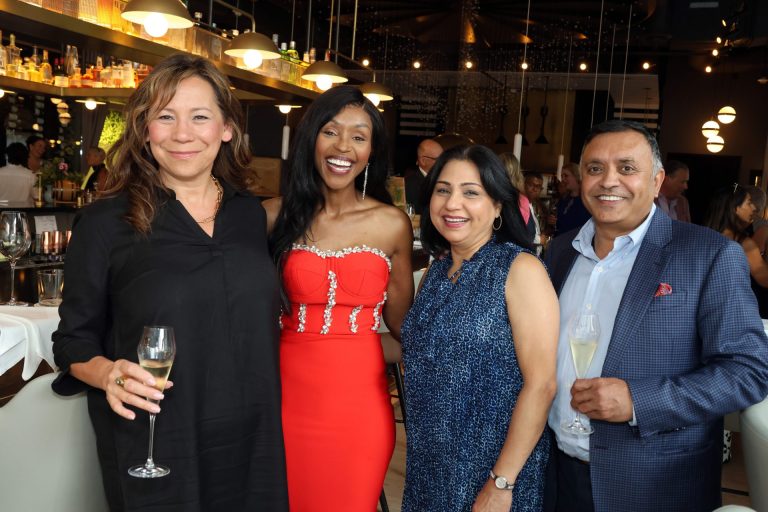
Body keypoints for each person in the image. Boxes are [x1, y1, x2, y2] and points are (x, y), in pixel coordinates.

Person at [51, 54, 288, 511]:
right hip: (159, 439)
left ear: (226, 128)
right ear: (144, 129)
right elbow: (72, 340)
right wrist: (108, 374)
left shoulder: (248, 215)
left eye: (200, 117)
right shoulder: (105, 222)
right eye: (165, 117)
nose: (182, 134)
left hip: (251, 437)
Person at [543, 120, 768, 512]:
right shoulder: (560, 251)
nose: (608, 180)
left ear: (657, 180)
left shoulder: (709, 255)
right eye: (595, 168)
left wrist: (639, 401)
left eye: (627, 168)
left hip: (653, 485)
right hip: (555, 476)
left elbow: (748, 371)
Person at [264, 85, 414, 512]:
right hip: (283, 400)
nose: (343, 146)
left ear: (371, 151)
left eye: (359, 136)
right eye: (331, 131)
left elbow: (406, 329)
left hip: (359, 409)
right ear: (311, 137)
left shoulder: (391, 223)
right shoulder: (273, 216)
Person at [401, 144, 559, 511]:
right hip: (430, 465)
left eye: (471, 192)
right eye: (443, 190)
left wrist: (501, 482)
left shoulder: (520, 270)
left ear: (498, 205)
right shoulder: (437, 271)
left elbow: (542, 385)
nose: (452, 204)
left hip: (492, 470)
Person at [703, 184, 768, 315]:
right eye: (749, 203)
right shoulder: (744, 244)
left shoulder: (702, 236)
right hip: (733, 310)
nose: (754, 208)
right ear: (734, 208)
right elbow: (764, 279)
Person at [500, 152, 536, 246]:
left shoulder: (491, 197)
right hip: (516, 250)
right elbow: (531, 233)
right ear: (518, 173)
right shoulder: (521, 200)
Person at [549, 163, 590, 236]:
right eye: (562, 176)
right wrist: (552, 221)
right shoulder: (564, 199)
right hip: (561, 240)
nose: (563, 179)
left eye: (566, 176)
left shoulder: (587, 201)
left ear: (576, 176)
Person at [404, 138, 443, 213]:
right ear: (423, 161)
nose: (443, 163)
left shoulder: (443, 179)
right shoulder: (409, 185)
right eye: (439, 159)